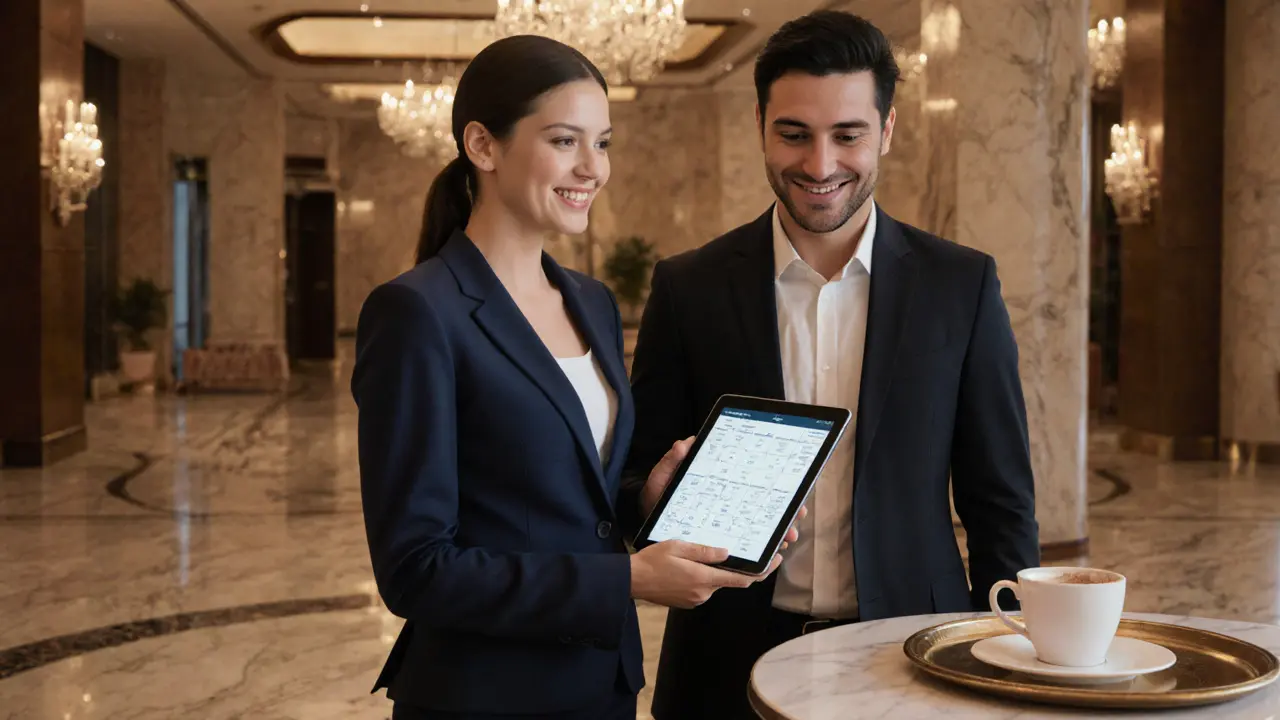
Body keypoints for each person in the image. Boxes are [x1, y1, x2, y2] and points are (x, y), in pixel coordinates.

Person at [351, 35, 792, 720]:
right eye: (565, 141)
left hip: (600, 682)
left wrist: (644, 498)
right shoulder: (417, 313)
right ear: (483, 145)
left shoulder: (591, 301)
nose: (593, 168)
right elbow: (415, 569)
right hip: (482, 695)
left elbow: (568, 503)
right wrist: (628, 578)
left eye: (604, 143)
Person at [625, 10, 1041, 719]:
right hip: (725, 660)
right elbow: (637, 475)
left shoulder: (960, 286)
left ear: (886, 130)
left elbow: (1000, 502)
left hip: (914, 653)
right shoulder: (688, 287)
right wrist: (651, 498)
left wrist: (1013, 661)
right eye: (794, 133)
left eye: (847, 134)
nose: (820, 166)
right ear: (760, 122)